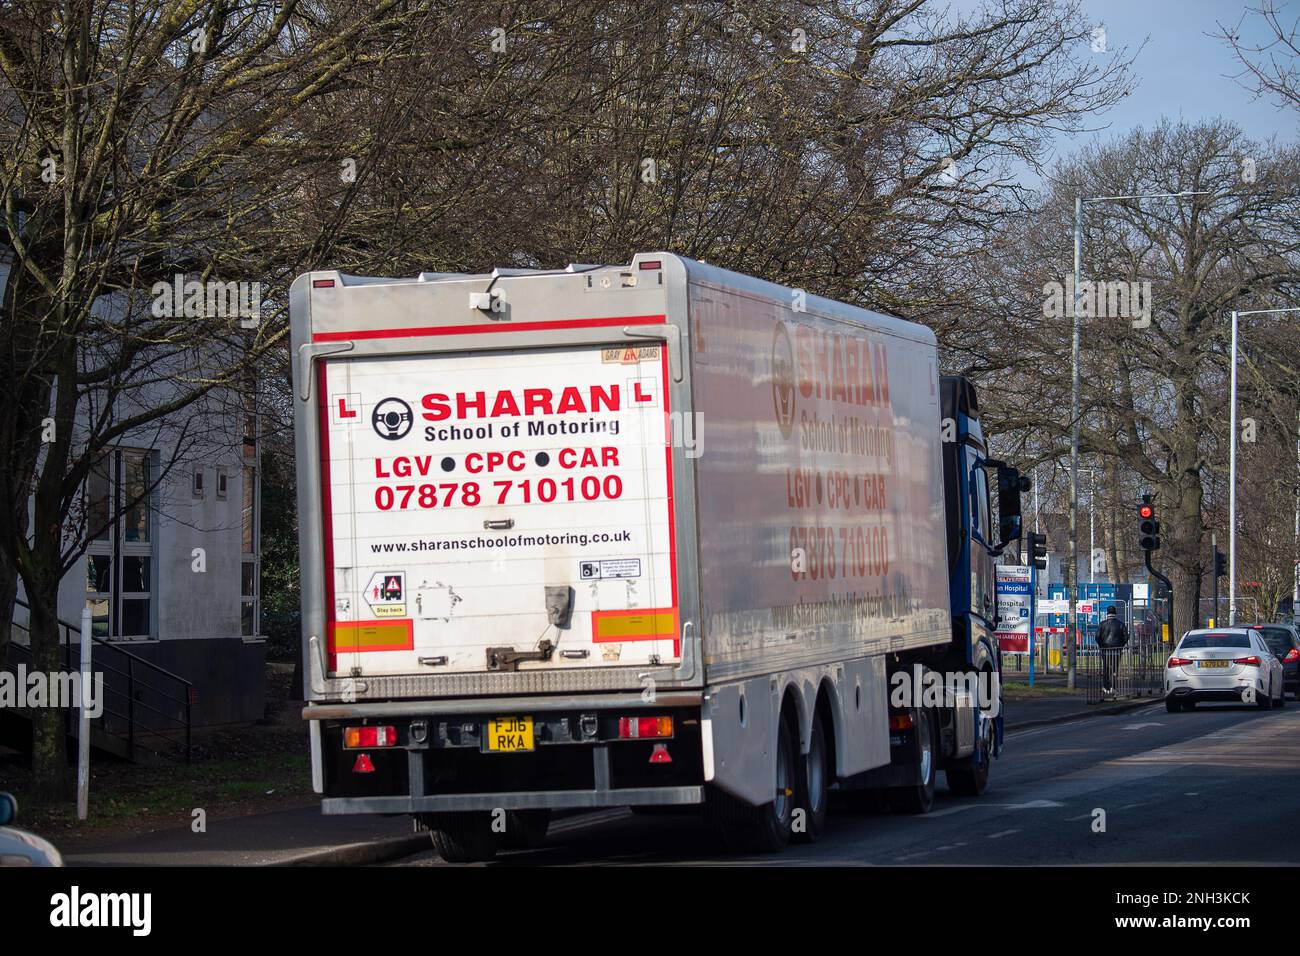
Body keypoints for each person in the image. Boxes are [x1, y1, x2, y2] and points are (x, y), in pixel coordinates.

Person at [1096, 606, 1129, 696]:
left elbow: (1097, 637)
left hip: (1105, 650)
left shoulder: (1102, 624)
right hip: (1117, 650)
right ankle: (1113, 688)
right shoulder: (1120, 624)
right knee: (1114, 669)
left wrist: (1102, 646)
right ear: (1115, 613)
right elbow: (1126, 637)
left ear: (1107, 613)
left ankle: (1106, 687)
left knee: (1106, 669)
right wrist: (1121, 646)